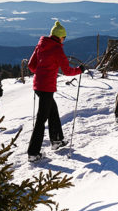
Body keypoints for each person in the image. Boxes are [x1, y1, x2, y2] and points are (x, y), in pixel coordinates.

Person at [27, 20, 84, 162]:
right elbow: (67, 71)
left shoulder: (41, 45)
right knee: (41, 120)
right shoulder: (57, 49)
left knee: (53, 111)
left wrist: (42, 71)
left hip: (38, 86)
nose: (64, 40)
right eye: (64, 37)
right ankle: (33, 153)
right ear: (60, 37)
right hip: (47, 87)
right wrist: (80, 70)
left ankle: (57, 140)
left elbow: (31, 66)